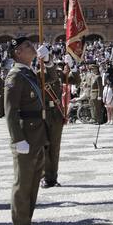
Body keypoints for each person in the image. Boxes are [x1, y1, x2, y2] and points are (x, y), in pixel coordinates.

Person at [4, 36, 50, 225]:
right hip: (25, 135)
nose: (32, 48)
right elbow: (11, 112)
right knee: (22, 185)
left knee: (32, 186)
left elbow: (51, 81)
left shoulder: (29, 72)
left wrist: (48, 62)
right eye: (26, 47)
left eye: (30, 45)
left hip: (37, 135)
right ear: (18, 54)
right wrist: (17, 139)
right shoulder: (15, 76)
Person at [40, 52, 66, 188]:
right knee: (44, 147)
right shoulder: (38, 74)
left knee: (55, 148)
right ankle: (45, 176)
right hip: (43, 114)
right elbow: (50, 77)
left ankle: (53, 177)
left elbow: (74, 79)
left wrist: (72, 68)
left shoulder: (57, 74)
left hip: (56, 114)